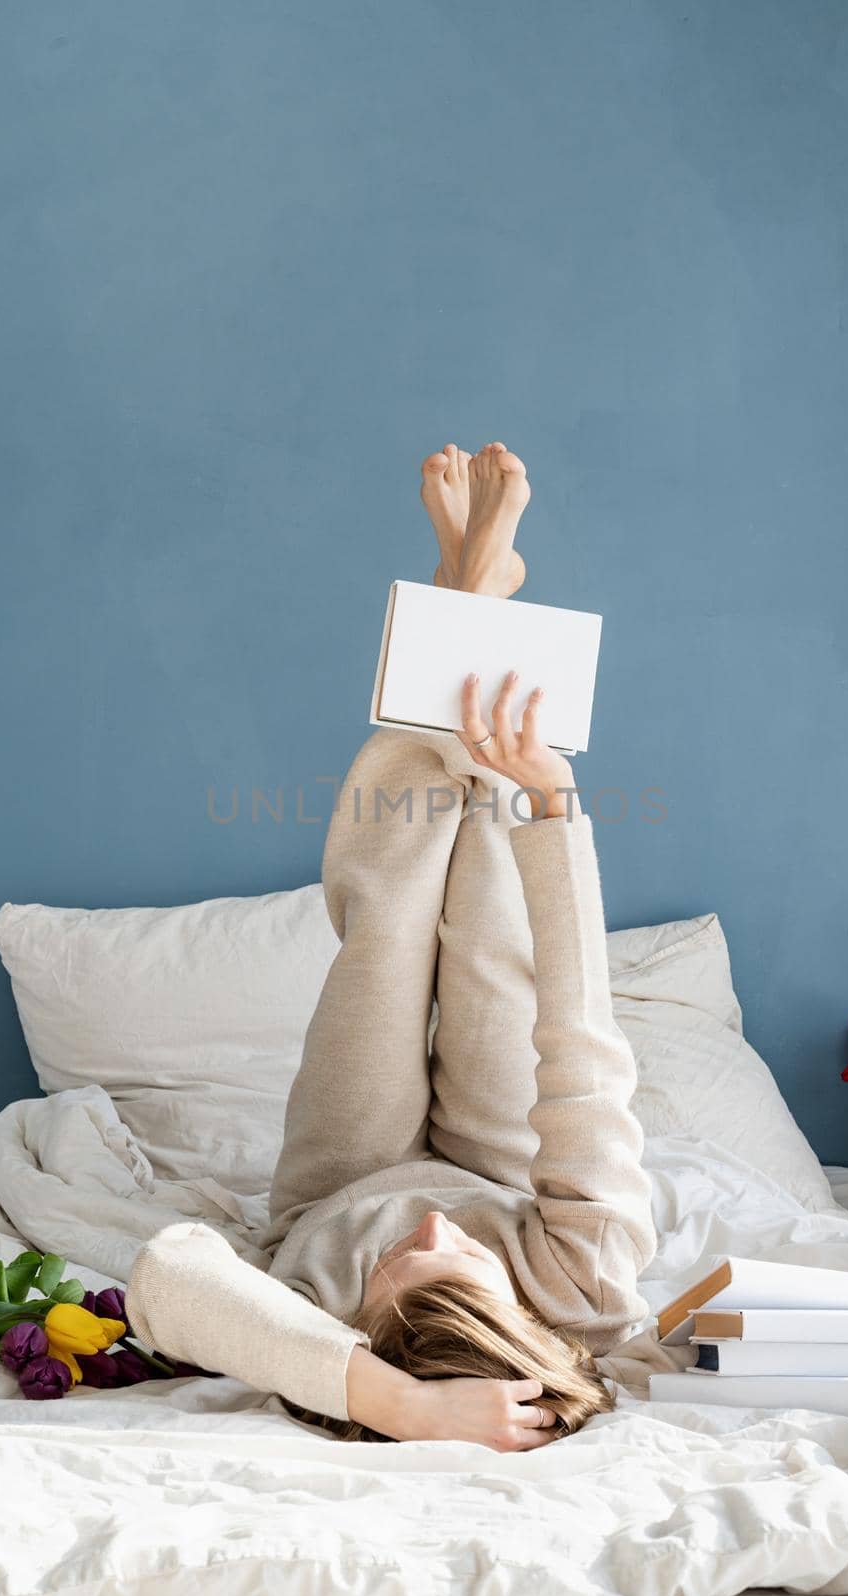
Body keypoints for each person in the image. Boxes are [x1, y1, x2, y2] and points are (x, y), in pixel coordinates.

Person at [126, 443, 658, 1452]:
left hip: (338, 1181)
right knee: (497, 942)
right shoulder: (587, 1289)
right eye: (457, 1260)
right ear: (519, 1315)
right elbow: (579, 1036)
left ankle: (465, 598)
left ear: (367, 1327)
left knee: (390, 924)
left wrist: (392, 1399)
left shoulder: (327, 1325)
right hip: (504, 1167)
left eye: (401, 1265)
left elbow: (171, 1274)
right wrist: (552, 803)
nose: (428, 1226)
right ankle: (475, 607)